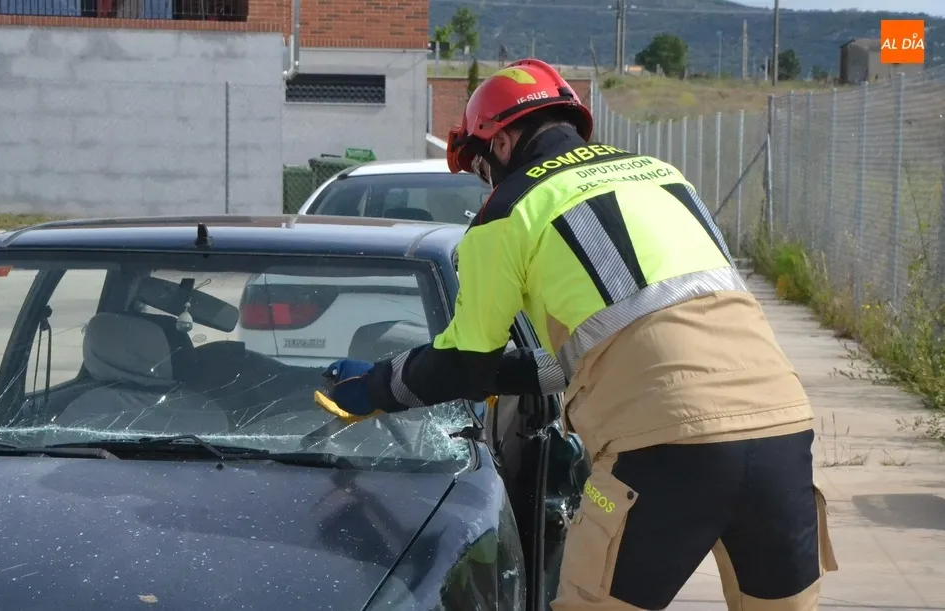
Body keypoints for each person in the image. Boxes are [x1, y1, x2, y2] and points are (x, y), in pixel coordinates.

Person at [319, 58, 838, 610]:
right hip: (783, 430)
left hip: (662, 446)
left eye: (480, 165)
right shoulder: (663, 176)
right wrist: (502, 375)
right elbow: (607, 348)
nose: (485, 182)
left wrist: (374, 388)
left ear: (501, 143)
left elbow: (462, 363)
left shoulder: (508, 211)